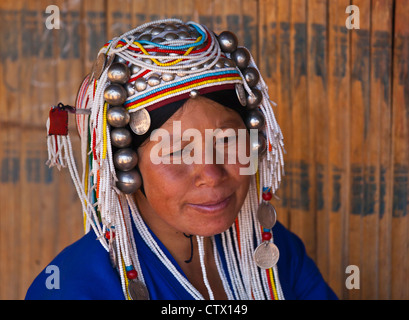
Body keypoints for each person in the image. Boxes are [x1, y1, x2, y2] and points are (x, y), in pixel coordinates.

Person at [26, 19, 337, 300]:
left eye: (227, 140)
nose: (212, 174)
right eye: (176, 151)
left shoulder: (275, 251)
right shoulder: (73, 288)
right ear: (125, 164)